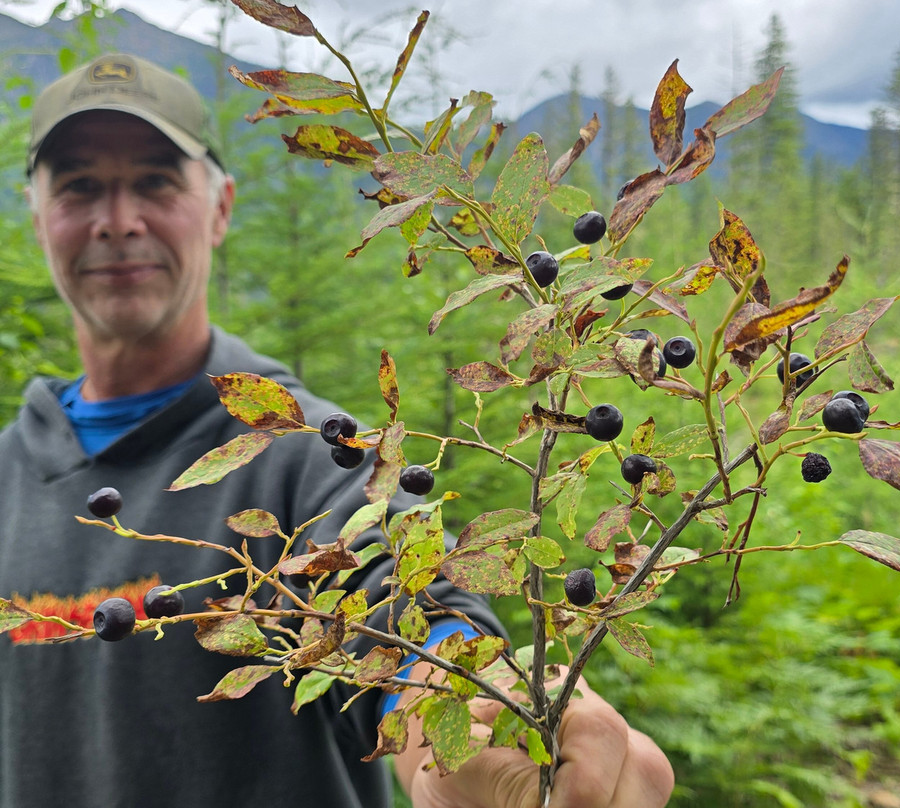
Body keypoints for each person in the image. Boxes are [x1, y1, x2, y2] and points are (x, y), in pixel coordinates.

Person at [0, 53, 674, 808]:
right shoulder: (4, 474)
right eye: (79, 186)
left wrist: (463, 730)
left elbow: (406, 610)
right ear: (37, 215)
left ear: (220, 206)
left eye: (156, 181)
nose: (117, 220)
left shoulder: (314, 454)